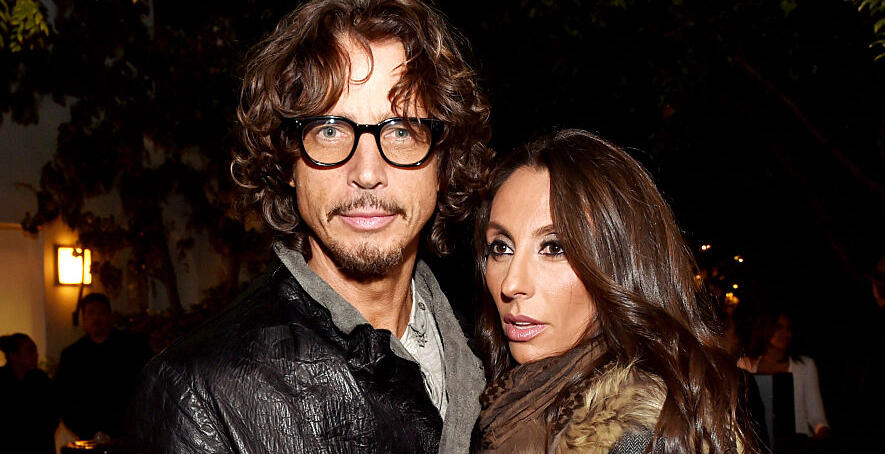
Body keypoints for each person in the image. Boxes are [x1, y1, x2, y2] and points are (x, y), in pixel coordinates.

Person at [134, 0, 491, 452]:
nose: (367, 171)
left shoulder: (498, 350)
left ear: (443, 160)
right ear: (287, 160)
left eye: (401, 130)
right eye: (329, 129)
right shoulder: (197, 396)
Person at [473, 130, 757, 453]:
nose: (511, 284)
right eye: (501, 247)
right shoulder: (507, 406)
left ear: (617, 265)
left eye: (554, 247)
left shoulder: (642, 437)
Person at [55, 293, 152, 441]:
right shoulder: (72, 355)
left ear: (109, 316)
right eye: (91, 313)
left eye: (101, 312)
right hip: (88, 435)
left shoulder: (133, 347)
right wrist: (87, 432)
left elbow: (147, 387)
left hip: (129, 433)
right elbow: (64, 398)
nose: (96, 318)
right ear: (84, 319)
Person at [737, 311, 830, 441]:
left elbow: (817, 415)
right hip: (757, 443)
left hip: (794, 444)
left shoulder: (804, 366)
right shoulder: (745, 366)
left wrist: (821, 433)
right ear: (766, 329)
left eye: (789, 329)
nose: (786, 334)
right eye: (779, 328)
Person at [0, 333, 58, 454]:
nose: (36, 355)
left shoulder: (40, 379)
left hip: (41, 446)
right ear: (13, 355)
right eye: (30, 351)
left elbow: (53, 414)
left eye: (35, 350)